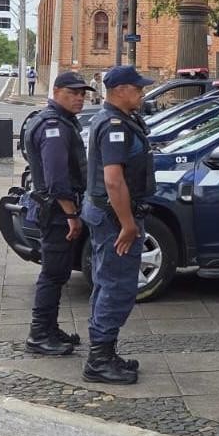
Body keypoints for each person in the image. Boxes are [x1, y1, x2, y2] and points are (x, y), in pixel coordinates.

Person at [81, 64, 156, 385]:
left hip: (107, 216)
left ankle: (105, 351)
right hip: (115, 219)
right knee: (117, 285)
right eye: (138, 88)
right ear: (121, 90)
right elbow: (114, 181)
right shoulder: (114, 125)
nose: (142, 93)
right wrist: (127, 225)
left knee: (106, 282)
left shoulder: (119, 120)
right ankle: (98, 360)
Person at [23, 72, 95, 356]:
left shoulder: (60, 122)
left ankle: (49, 328)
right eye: (73, 92)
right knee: (53, 275)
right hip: (56, 212)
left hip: (55, 210)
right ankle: (39, 334)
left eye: (82, 93)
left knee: (59, 273)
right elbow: (56, 179)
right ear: (56, 91)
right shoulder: (54, 126)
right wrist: (72, 214)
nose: (79, 98)